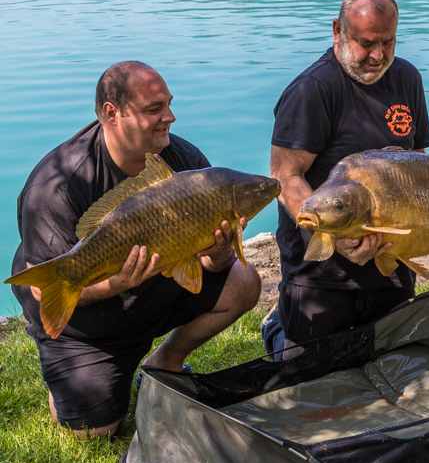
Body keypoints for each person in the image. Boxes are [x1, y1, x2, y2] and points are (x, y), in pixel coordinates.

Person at [11, 61, 260, 439]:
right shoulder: (58, 184)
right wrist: (114, 284)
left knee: (244, 282)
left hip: (151, 285)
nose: (170, 117)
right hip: (87, 319)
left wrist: (221, 250)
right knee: (93, 431)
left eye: (169, 105)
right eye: (153, 109)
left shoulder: (185, 163)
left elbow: (210, 265)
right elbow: (42, 289)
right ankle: (65, 375)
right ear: (112, 114)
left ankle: (166, 362)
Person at [270, 0, 429, 354]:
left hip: (390, 266)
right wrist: (338, 241)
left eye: (388, 42)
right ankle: (278, 327)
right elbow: (284, 176)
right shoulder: (313, 90)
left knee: (389, 367)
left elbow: (420, 168)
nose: (378, 55)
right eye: (366, 43)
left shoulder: (407, 78)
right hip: (321, 271)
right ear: (337, 31)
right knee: (308, 379)